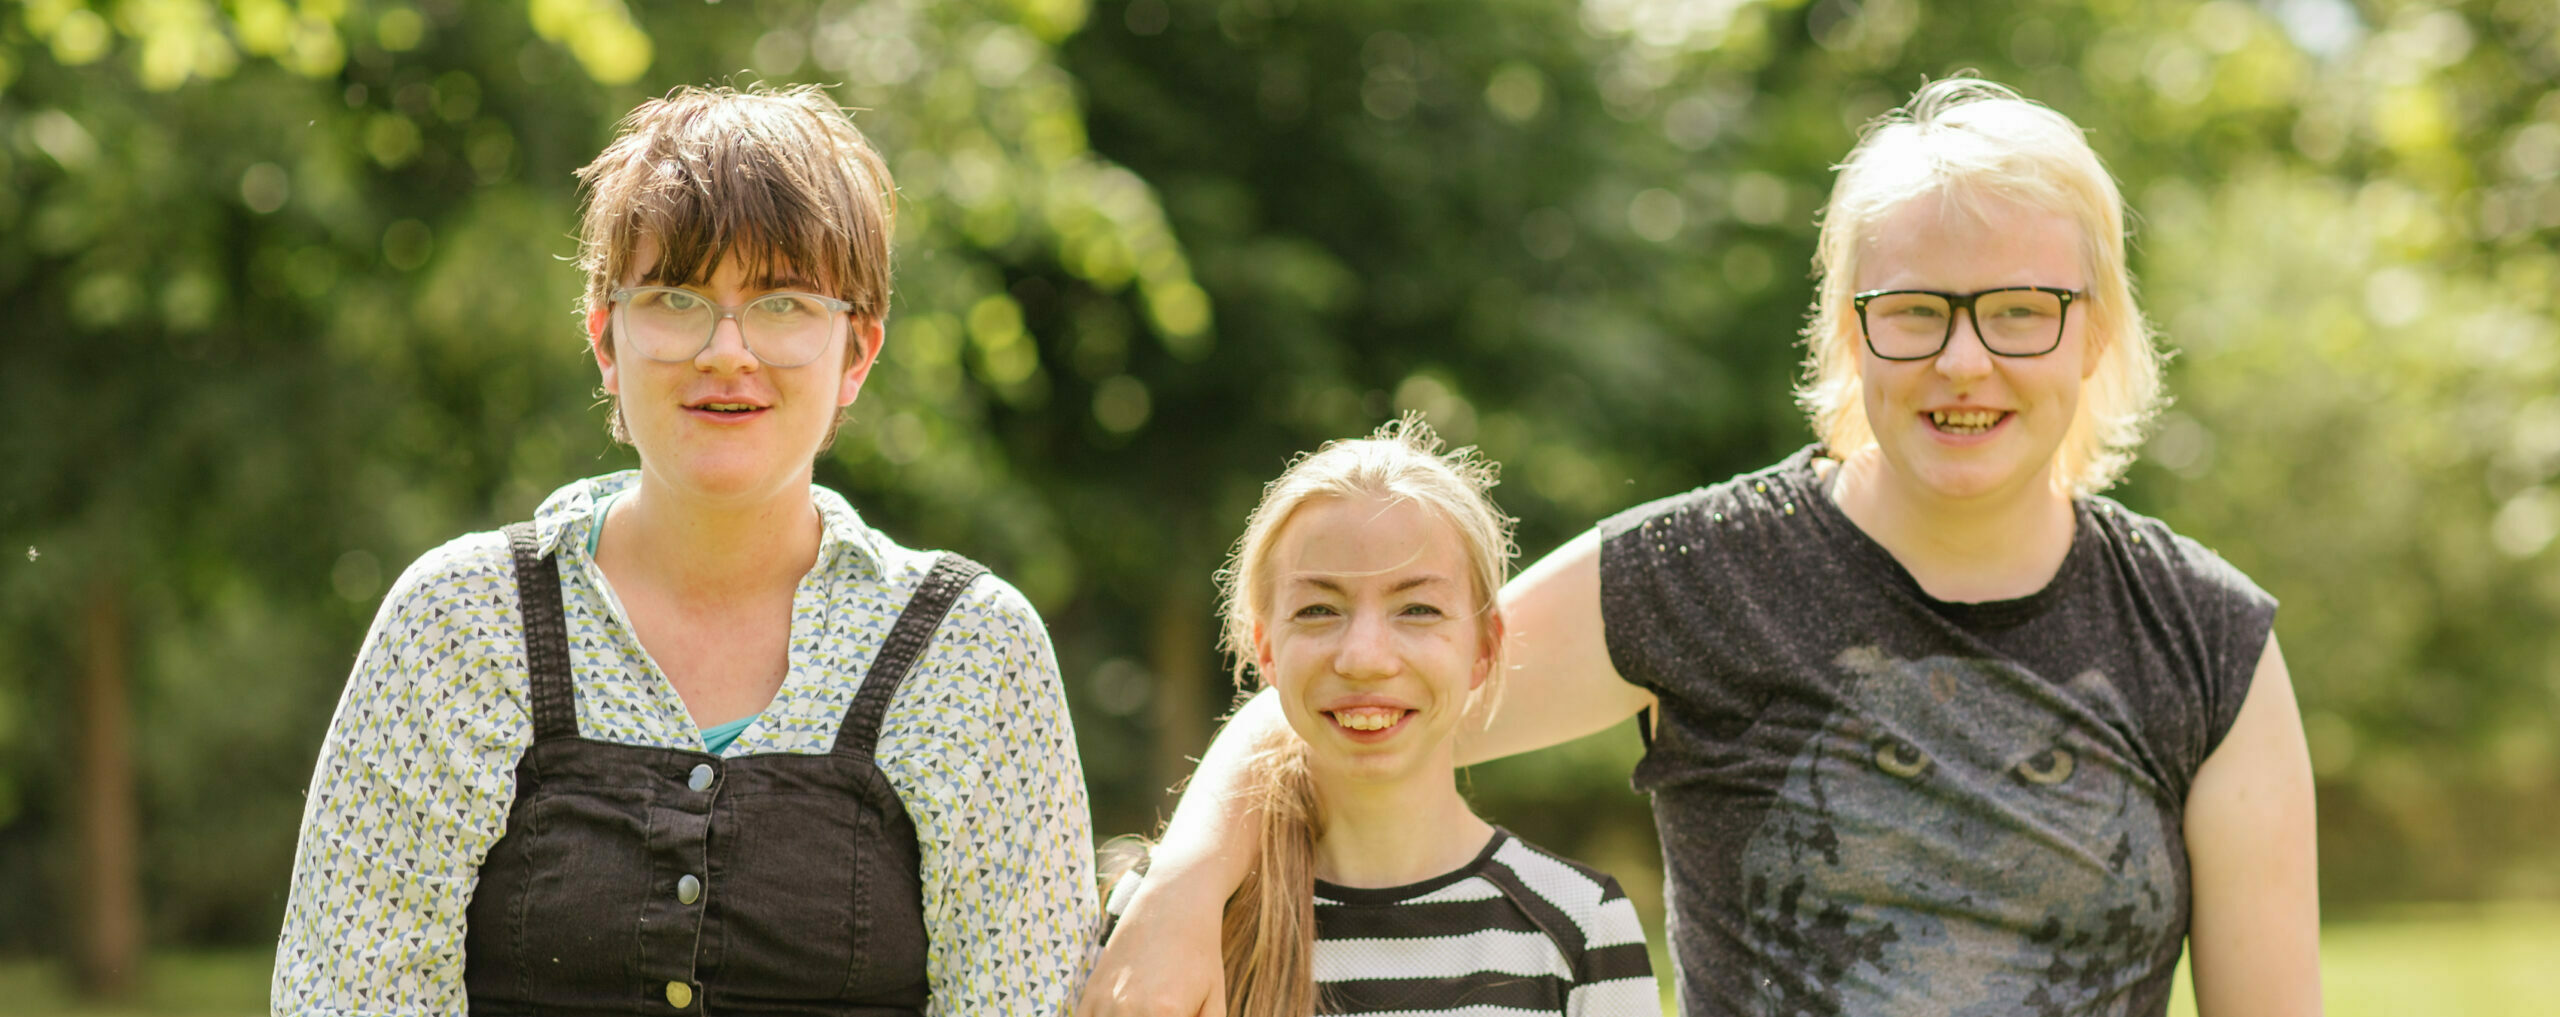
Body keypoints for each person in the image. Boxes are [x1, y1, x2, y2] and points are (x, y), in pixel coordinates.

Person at [1081, 78, 2320, 1017]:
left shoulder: (2206, 639)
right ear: (1846, 333)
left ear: (2092, 334)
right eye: (1909, 313)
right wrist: (1191, 889)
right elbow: (1372, 677)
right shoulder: (1702, 572)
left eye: (2017, 311)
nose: (1962, 360)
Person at [274, 85, 1097, 1016]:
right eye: (677, 298)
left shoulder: (973, 651)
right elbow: (345, 995)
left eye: (783, 303)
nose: (727, 350)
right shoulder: (459, 624)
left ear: (857, 351)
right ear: (606, 341)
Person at [1102, 417, 1657, 1017]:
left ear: (1485, 648)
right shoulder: (1165, 920)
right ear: (1266, 649)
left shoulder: (1580, 925)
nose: (1364, 658)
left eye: (1417, 608)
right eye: (1319, 609)